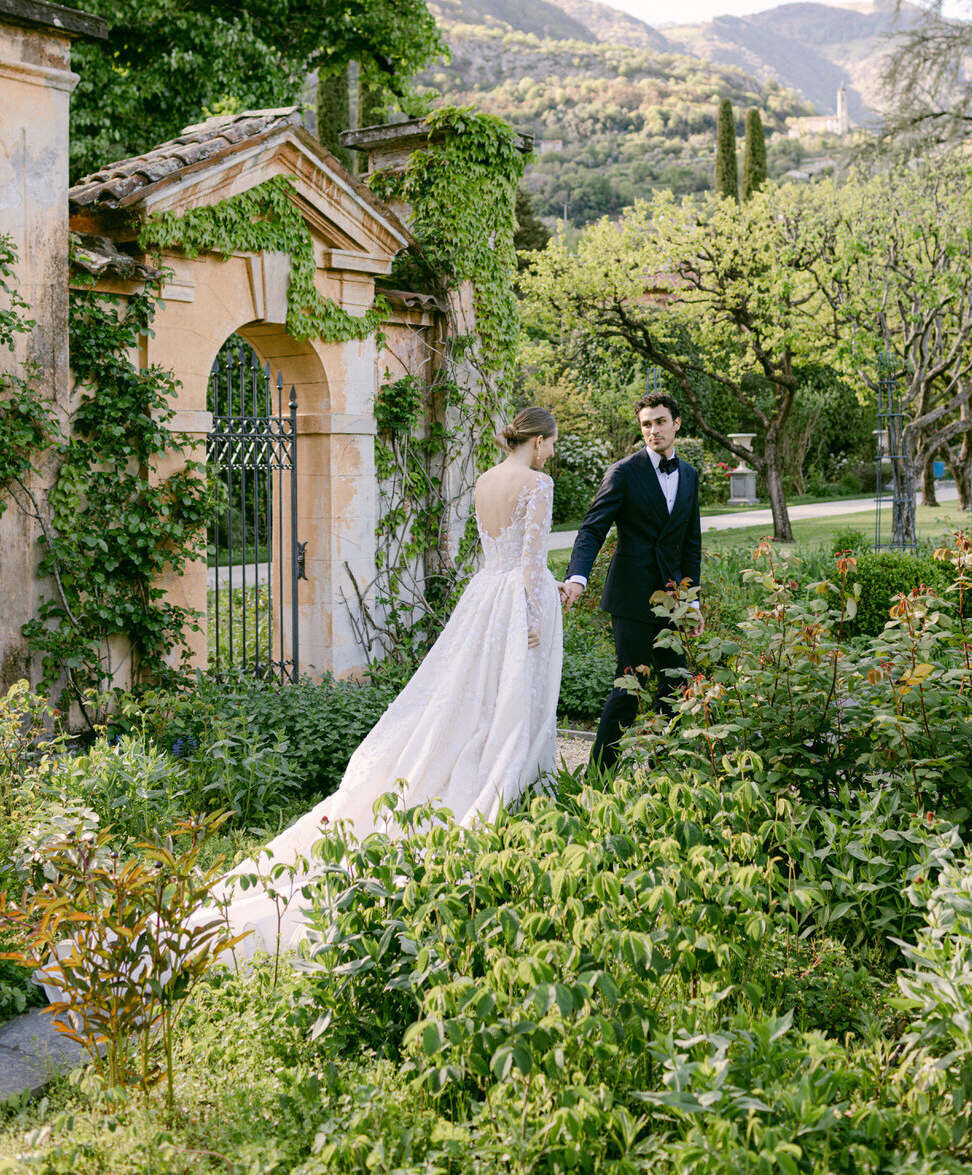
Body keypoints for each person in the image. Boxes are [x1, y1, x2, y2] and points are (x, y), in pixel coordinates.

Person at [203, 407, 564, 957]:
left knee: (472, 697)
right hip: (515, 603)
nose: (552, 453)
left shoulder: (485, 480)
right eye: (552, 444)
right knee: (513, 697)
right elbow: (532, 560)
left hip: (482, 598)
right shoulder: (538, 483)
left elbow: (495, 552)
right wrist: (537, 619)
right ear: (538, 442)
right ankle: (516, 786)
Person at [561, 394, 703, 771]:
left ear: (676, 424)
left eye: (660, 421)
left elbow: (691, 543)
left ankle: (663, 768)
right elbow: (592, 529)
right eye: (646, 424)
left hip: (673, 601)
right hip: (631, 598)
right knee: (629, 688)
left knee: (676, 686)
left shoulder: (689, 475)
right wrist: (577, 577)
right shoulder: (624, 471)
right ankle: (598, 774)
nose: (653, 430)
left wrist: (692, 601)